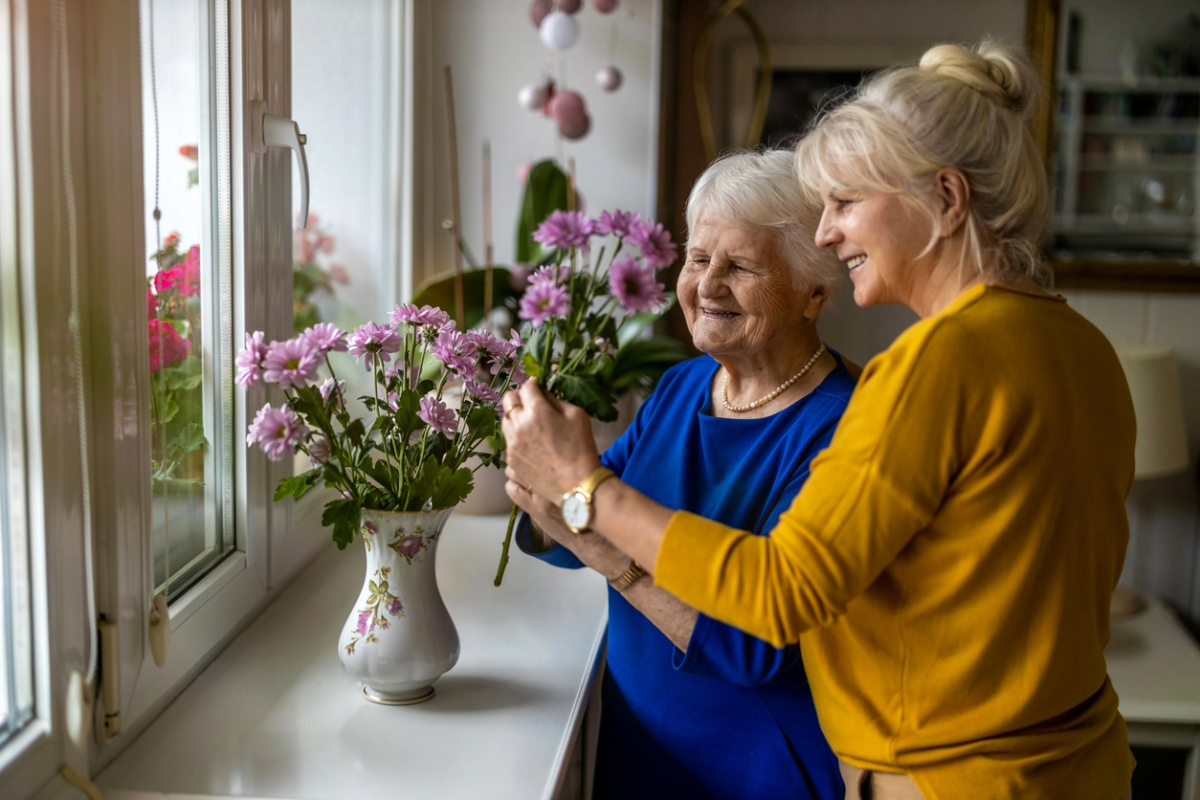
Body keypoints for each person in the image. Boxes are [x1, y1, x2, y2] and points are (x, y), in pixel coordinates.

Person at [501, 41, 1136, 800]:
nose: (831, 234)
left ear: (946, 198)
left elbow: (775, 596)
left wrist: (586, 491)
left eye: (845, 201)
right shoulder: (1082, 344)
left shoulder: (932, 365)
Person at [515, 149, 853, 800]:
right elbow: (578, 514)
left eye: (742, 266)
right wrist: (537, 464)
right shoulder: (683, 385)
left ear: (814, 291)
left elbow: (751, 647)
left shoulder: (843, 428)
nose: (707, 285)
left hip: (754, 771)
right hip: (640, 748)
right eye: (699, 259)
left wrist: (597, 538)